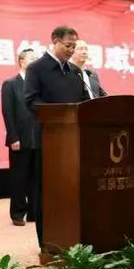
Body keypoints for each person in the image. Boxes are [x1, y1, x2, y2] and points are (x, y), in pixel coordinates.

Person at [25, 26, 89, 249]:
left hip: (74, 143)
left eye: (74, 46)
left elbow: (84, 103)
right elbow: (31, 102)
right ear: (55, 41)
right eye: (68, 45)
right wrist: (61, 116)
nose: (72, 50)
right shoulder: (36, 69)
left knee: (71, 191)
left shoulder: (75, 72)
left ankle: (71, 238)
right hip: (48, 141)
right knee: (47, 193)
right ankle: (48, 243)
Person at [1, 48, 39, 226]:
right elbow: (8, 113)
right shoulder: (11, 84)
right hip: (19, 138)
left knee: (36, 178)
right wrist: (13, 137)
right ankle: (17, 213)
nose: (35, 61)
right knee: (19, 178)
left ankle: (34, 212)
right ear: (22, 61)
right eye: (32, 58)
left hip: (37, 138)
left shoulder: (38, 85)